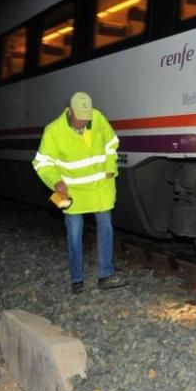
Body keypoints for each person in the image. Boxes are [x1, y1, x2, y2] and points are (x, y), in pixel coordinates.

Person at [32, 91, 128, 294]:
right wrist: (55, 181)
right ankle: (77, 279)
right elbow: (41, 163)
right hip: (73, 193)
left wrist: (110, 168)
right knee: (75, 234)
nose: (83, 123)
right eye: (79, 119)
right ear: (69, 111)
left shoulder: (98, 118)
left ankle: (106, 275)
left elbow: (111, 143)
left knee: (106, 228)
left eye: (86, 119)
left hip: (100, 188)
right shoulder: (53, 131)